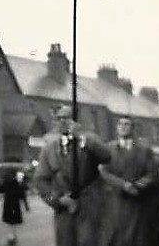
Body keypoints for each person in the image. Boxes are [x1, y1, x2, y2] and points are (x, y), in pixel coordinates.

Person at [34, 104, 111, 246]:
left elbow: (106, 156)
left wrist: (81, 137)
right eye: (59, 118)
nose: (63, 122)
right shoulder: (49, 149)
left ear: (75, 121)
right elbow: (40, 182)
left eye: (67, 118)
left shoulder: (88, 141)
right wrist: (57, 200)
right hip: (64, 210)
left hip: (90, 208)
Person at [100, 116, 159, 246]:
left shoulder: (144, 150)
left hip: (139, 203)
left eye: (127, 124)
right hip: (117, 202)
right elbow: (104, 172)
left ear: (133, 128)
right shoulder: (108, 149)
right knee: (116, 238)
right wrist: (123, 185)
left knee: (139, 239)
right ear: (117, 128)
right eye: (120, 124)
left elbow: (153, 173)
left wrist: (137, 186)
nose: (123, 127)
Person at [0, 166, 30, 245]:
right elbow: (22, 195)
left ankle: (11, 236)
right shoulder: (18, 183)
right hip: (15, 205)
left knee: (10, 222)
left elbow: (1, 189)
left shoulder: (6, 182)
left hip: (7, 204)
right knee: (13, 222)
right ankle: (12, 236)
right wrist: (26, 206)